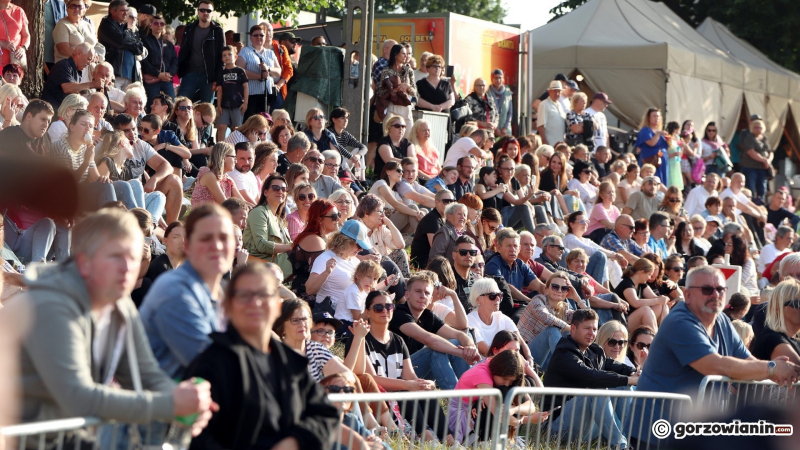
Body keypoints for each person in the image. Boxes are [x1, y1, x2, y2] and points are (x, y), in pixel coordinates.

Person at [14, 209, 215, 436]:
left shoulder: (119, 304)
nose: (127, 267)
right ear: (84, 262)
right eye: (115, 256)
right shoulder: (53, 305)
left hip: (71, 437)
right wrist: (170, 405)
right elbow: (78, 397)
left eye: (132, 257)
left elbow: (145, 374)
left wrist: (188, 404)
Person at [629, 265, 800, 447]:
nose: (715, 294)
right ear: (687, 294)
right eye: (707, 289)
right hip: (654, 430)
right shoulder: (679, 321)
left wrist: (776, 370)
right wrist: (772, 369)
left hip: (692, 431)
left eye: (720, 289)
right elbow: (714, 365)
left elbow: (747, 361)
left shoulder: (722, 321)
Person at [184, 268, 339, 450]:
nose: (255, 303)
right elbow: (197, 437)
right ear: (228, 306)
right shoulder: (210, 363)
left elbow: (325, 414)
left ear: (277, 307)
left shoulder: (289, 361)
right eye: (244, 295)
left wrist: (293, 442)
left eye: (264, 295)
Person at [139, 204, 233, 379]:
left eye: (224, 238)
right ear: (188, 245)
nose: (217, 246)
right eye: (206, 238)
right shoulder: (174, 291)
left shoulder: (222, 293)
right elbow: (210, 365)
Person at [347, 290, 453, 443]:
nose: (384, 311)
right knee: (405, 390)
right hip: (379, 400)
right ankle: (427, 438)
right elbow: (370, 380)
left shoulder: (397, 340)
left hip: (399, 395)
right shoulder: (361, 337)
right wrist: (408, 384)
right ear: (368, 312)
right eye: (378, 308)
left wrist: (421, 384)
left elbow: (410, 375)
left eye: (389, 306)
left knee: (425, 393)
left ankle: (449, 439)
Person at [544, 309, 637, 449]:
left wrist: (634, 372)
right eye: (587, 328)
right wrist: (629, 380)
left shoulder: (595, 350)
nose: (592, 333)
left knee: (622, 386)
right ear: (573, 329)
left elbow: (611, 364)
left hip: (587, 427)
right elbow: (591, 376)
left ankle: (632, 441)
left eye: (594, 329)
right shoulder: (564, 353)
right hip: (558, 428)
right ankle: (620, 446)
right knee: (597, 389)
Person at [389, 272, 480, 390]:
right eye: (418, 291)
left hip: (416, 371)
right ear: (407, 295)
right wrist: (462, 353)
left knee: (457, 341)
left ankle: (471, 394)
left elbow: (460, 334)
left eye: (426, 293)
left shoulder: (428, 316)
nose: (422, 296)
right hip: (397, 375)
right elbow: (429, 339)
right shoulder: (399, 313)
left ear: (431, 298)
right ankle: (458, 402)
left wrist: (470, 349)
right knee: (434, 351)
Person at [94, 129, 166, 223]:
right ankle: (142, 223)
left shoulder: (126, 166)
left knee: (158, 195)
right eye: (130, 144)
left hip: (128, 206)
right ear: (123, 144)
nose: (133, 147)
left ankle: (150, 225)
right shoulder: (106, 161)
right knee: (135, 182)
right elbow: (101, 189)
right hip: (115, 206)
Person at [517, 271, 581, 370]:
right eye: (555, 287)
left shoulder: (564, 308)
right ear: (546, 290)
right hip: (525, 355)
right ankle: (568, 368)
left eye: (564, 288)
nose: (559, 290)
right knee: (553, 330)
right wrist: (569, 327)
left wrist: (578, 299)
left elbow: (586, 320)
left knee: (574, 330)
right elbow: (545, 316)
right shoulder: (537, 300)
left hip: (547, 358)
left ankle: (578, 365)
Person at [467, 277, 533, 360]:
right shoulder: (470, 320)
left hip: (508, 363)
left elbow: (520, 342)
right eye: (492, 296)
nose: (498, 299)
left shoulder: (501, 317)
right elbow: (486, 352)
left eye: (499, 295)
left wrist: (529, 358)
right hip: (487, 368)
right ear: (478, 300)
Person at [243, 174, 292, 274]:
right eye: (275, 188)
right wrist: (291, 246)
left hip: (281, 271)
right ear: (265, 192)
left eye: (284, 189)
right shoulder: (259, 212)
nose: (280, 191)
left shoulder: (280, 218)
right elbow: (261, 244)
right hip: (261, 272)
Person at [177, 1, 224, 103]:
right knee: (180, 104)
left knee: (206, 109)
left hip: (209, 77)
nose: (205, 13)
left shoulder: (218, 31)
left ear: (212, 13)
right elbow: (183, 50)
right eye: (202, 10)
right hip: (190, 74)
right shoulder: (189, 29)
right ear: (198, 12)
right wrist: (181, 71)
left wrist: (217, 78)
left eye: (208, 10)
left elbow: (221, 57)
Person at [485, 228, 547, 304]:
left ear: (519, 249)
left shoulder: (520, 264)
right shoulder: (493, 264)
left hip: (518, 307)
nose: (512, 249)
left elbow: (540, 286)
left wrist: (555, 295)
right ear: (498, 248)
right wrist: (530, 302)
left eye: (515, 246)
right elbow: (507, 287)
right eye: (508, 246)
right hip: (501, 309)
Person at [563, 211, 626, 284]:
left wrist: (616, 255)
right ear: (572, 224)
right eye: (582, 221)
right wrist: (615, 255)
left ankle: (623, 290)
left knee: (611, 260)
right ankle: (605, 291)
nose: (585, 223)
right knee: (601, 256)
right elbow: (590, 250)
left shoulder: (586, 240)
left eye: (587, 221)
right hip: (576, 272)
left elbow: (602, 249)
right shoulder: (569, 239)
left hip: (586, 269)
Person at [41, 42, 101, 111]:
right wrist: (93, 84)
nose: (89, 63)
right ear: (79, 54)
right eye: (88, 59)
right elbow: (67, 88)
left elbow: (78, 90)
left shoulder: (77, 71)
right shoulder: (64, 65)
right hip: (51, 111)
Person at [236, 24, 280, 119]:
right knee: (250, 121)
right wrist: (259, 76)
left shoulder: (270, 53)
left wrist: (268, 68)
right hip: (251, 94)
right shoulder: (245, 51)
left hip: (266, 94)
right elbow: (239, 71)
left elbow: (278, 71)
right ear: (250, 37)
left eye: (261, 35)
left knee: (264, 121)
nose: (259, 37)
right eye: (255, 35)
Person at [375, 44, 416, 135]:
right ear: (395, 55)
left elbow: (414, 93)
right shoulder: (386, 71)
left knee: (408, 137)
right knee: (389, 136)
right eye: (403, 53)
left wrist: (407, 86)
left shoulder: (409, 71)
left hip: (406, 107)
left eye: (407, 54)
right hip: (391, 106)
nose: (406, 56)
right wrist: (393, 90)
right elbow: (380, 91)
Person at [410, 189, 454, 269]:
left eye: (452, 201)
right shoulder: (432, 219)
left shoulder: (444, 219)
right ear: (436, 202)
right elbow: (435, 247)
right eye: (446, 201)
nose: (449, 204)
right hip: (423, 264)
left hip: (434, 261)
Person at [141, 13, 177, 106]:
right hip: (152, 81)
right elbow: (144, 62)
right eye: (156, 23)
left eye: (162, 24)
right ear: (151, 25)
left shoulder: (169, 44)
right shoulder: (145, 41)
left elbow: (175, 61)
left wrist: (169, 74)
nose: (159, 26)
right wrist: (158, 74)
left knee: (170, 106)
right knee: (152, 106)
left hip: (167, 80)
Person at [214, 45, 248, 141]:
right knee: (221, 126)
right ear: (222, 58)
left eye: (230, 54)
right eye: (224, 55)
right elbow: (220, 89)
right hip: (224, 105)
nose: (227, 57)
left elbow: (246, 87)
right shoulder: (222, 73)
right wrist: (219, 105)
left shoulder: (240, 71)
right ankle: (220, 147)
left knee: (236, 128)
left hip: (237, 104)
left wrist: (245, 103)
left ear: (236, 57)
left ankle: (236, 147)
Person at [494, 156, 537, 233]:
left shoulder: (514, 180)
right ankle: (535, 235)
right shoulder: (500, 183)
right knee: (524, 208)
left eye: (512, 169)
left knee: (538, 209)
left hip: (513, 214)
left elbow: (523, 198)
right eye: (506, 169)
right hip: (504, 217)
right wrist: (529, 196)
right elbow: (516, 202)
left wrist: (532, 208)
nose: (509, 172)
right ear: (500, 170)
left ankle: (546, 233)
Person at [374, 114, 416, 182]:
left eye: (403, 126)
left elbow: (413, 161)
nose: (401, 128)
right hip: (388, 180)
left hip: (407, 178)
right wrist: (408, 163)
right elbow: (390, 161)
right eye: (397, 126)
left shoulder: (408, 143)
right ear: (389, 127)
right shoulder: (384, 143)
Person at [739, 119, 772, 202]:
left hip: (762, 168)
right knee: (751, 189)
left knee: (762, 189)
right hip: (750, 167)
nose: (758, 129)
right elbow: (751, 152)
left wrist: (768, 160)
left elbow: (770, 151)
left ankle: (761, 205)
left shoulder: (764, 138)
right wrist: (764, 160)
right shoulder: (749, 137)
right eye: (756, 127)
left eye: (760, 127)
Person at [328, 107, 367, 177]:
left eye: (347, 118)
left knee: (358, 150)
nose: (346, 120)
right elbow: (337, 146)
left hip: (343, 164)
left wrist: (357, 156)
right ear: (334, 120)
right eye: (342, 118)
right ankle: (354, 179)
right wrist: (351, 157)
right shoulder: (328, 133)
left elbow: (363, 147)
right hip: (332, 164)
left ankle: (362, 179)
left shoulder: (345, 134)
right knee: (342, 158)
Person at [634, 107, 668, 183]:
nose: (656, 118)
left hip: (661, 161)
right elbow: (651, 143)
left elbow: (666, 146)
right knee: (651, 181)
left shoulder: (660, 131)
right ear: (649, 118)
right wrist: (658, 134)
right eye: (654, 116)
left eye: (658, 116)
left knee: (661, 181)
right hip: (651, 161)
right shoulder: (645, 130)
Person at [537, 81, 566, 146]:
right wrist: (544, 141)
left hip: (560, 143)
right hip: (550, 142)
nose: (557, 93)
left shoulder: (560, 105)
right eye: (555, 91)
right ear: (549, 92)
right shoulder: (544, 104)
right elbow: (541, 125)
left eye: (559, 91)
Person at [488, 69, 513, 137]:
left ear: (503, 79)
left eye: (500, 78)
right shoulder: (487, 92)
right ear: (492, 79)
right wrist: (495, 129)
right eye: (496, 78)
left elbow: (510, 112)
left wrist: (505, 127)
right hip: (491, 129)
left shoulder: (508, 93)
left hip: (505, 130)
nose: (498, 80)